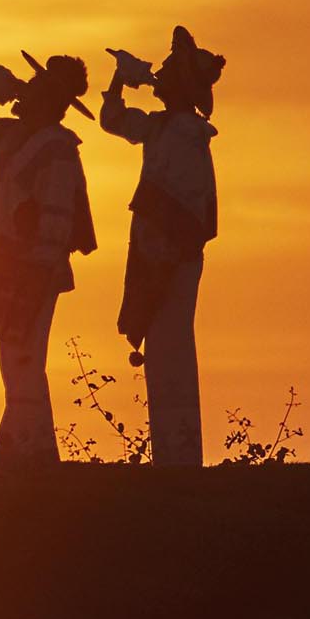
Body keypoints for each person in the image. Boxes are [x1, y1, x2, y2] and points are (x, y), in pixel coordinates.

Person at [0, 53, 96, 463]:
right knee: (15, 359)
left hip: (34, 264)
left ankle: (21, 446)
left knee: (23, 356)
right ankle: (37, 447)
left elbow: (58, 213)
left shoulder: (57, 147)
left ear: (50, 99)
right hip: (9, 259)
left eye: (36, 86)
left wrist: (40, 266)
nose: (25, 91)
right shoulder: (10, 135)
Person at [101, 25, 223, 468]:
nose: (161, 75)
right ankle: (170, 454)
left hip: (174, 252)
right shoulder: (160, 127)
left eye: (169, 70)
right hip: (157, 248)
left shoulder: (187, 134)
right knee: (160, 344)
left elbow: (187, 208)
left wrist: (164, 251)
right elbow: (113, 121)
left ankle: (180, 453)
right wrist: (119, 78)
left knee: (171, 344)